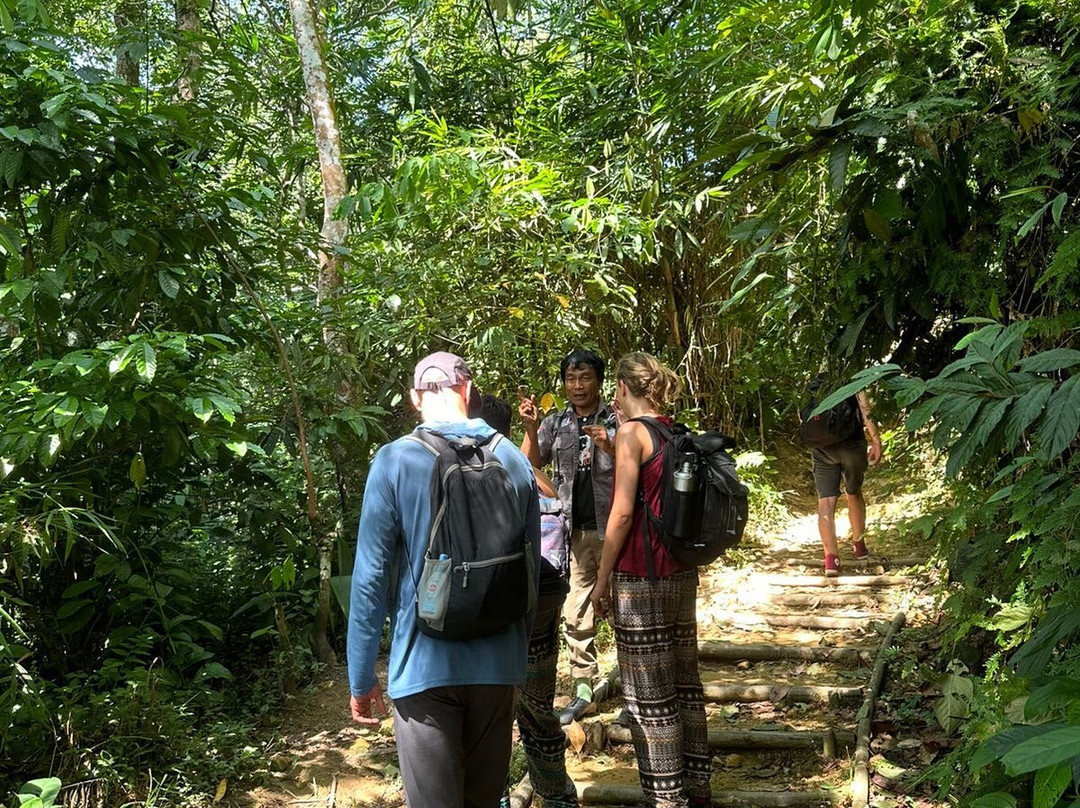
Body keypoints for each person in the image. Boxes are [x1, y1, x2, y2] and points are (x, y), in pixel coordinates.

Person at [347, 352, 541, 808]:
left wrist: (361, 678)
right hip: (497, 666)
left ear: (416, 399)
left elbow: (370, 577)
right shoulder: (512, 459)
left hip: (423, 668)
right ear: (468, 392)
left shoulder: (394, 461)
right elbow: (529, 571)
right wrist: (516, 658)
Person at [590, 352, 711, 808]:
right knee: (685, 686)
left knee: (649, 696)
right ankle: (696, 791)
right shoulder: (675, 430)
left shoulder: (630, 432)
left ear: (621, 388)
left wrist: (602, 578)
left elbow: (622, 513)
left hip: (641, 575)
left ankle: (666, 799)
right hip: (681, 572)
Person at [480, 394, 580, 808]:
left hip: (496, 614)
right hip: (543, 601)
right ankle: (558, 796)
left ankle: (496, 797)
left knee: (491, 715)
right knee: (538, 709)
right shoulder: (531, 472)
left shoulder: (473, 473)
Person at [519, 348, 616, 725]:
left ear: (599, 381)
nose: (577, 386)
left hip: (614, 529)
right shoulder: (557, 422)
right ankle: (583, 691)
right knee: (577, 613)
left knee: (625, 609)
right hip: (572, 532)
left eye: (585, 377)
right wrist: (531, 426)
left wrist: (610, 441)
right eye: (571, 379)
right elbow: (531, 463)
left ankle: (636, 688)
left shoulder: (617, 419)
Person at [808, 386, 883, 576]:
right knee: (854, 492)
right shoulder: (852, 380)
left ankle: (831, 560)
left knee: (825, 501)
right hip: (852, 444)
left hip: (822, 448)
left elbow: (804, 419)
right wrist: (876, 440)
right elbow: (865, 409)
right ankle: (859, 547)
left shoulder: (813, 385)